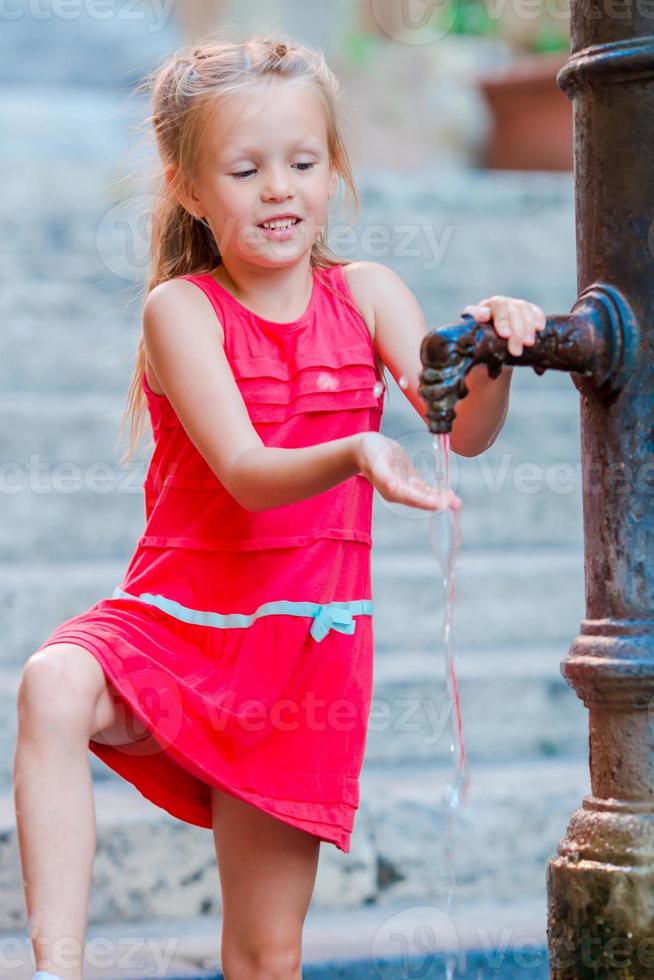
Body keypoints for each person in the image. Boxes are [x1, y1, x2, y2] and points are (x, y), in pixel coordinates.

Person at [14, 31, 546, 980]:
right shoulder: (181, 310)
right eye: (246, 169)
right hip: (181, 626)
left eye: (301, 163)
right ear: (188, 189)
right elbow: (248, 469)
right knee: (53, 684)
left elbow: (460, 430)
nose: (279, 189)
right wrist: (353, 449)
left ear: (332, 168)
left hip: (299, 652)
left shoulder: (371, 295)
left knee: (267, 955)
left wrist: (493, 353)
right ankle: (57, 968)